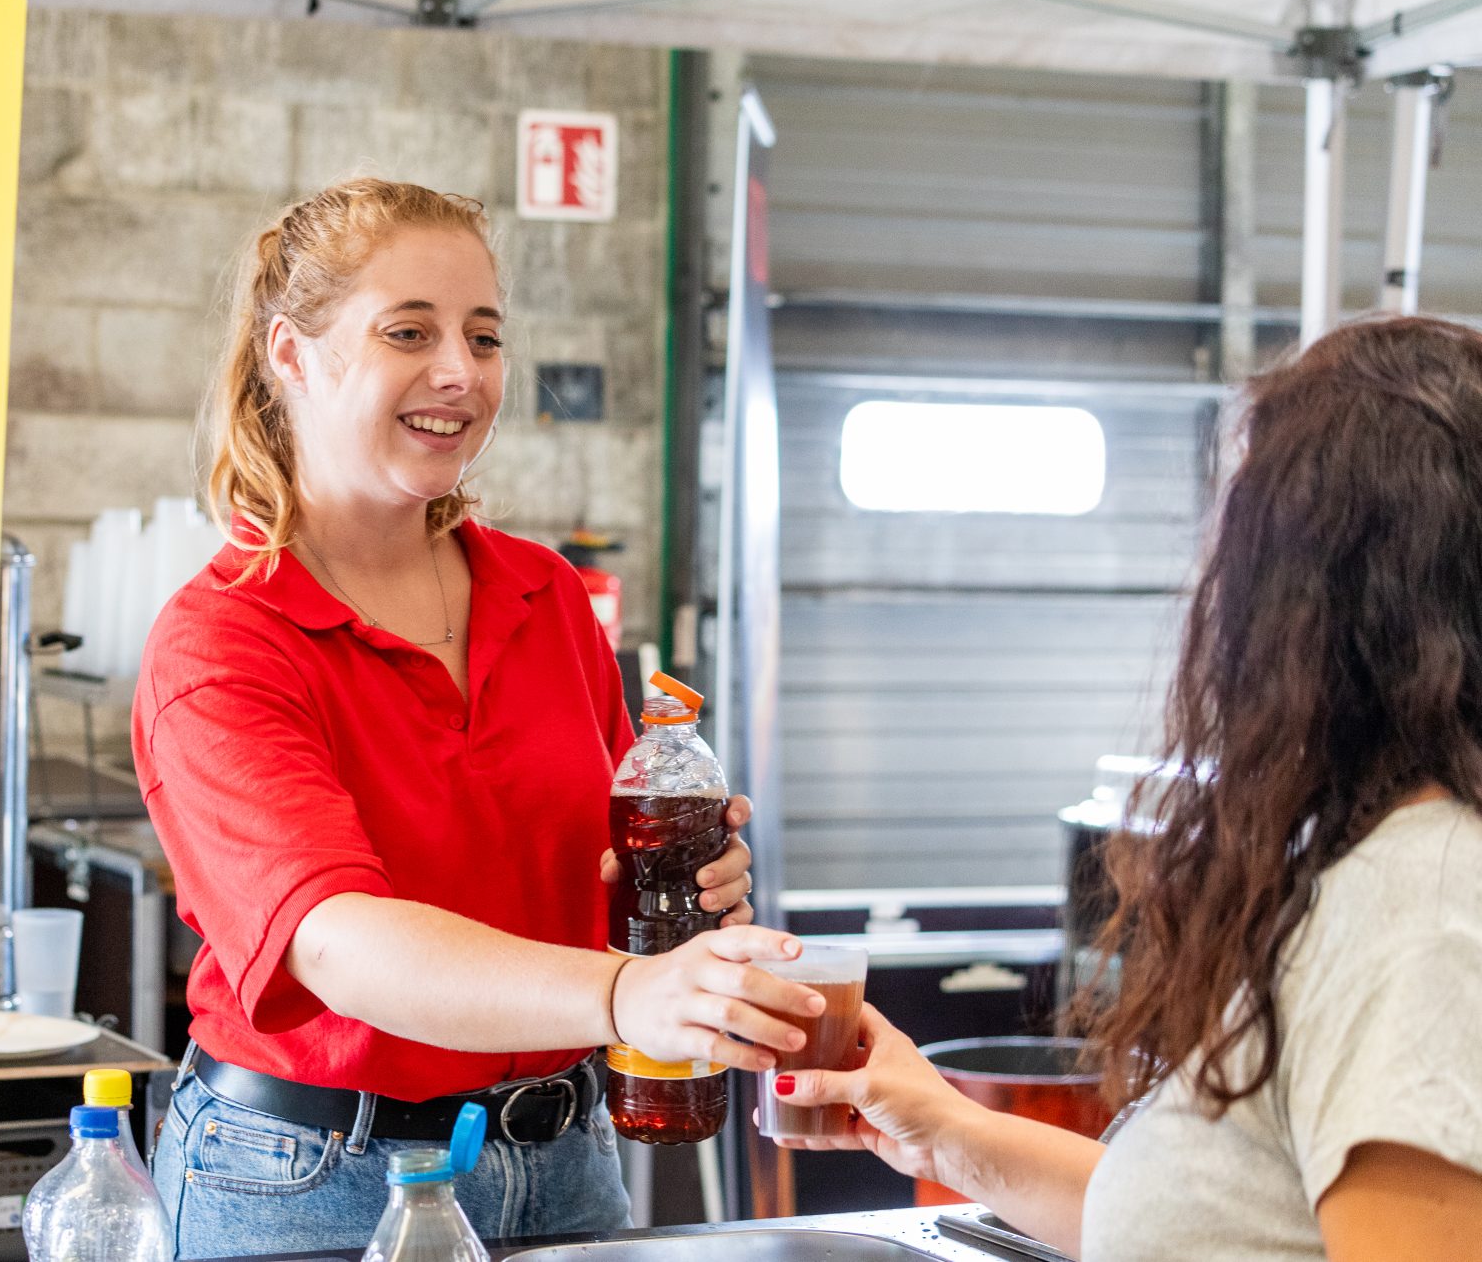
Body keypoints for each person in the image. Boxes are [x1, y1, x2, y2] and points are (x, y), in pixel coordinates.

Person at [132, 178, 821, 1259]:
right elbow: (341, 946)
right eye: (407, 331)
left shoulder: (543, 597)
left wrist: (673, 890)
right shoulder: (223, 641)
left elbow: (582, 889)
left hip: (562, 1155)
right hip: (309, 1181)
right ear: (289, 354)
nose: (459, 371)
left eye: (483, 336)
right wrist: (626, 989)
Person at [770, 315, 1482, 1260]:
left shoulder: (1419, 915)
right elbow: (1217, 1216)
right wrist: (943, 1129)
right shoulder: (1374, 864)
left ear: (1312, 597)